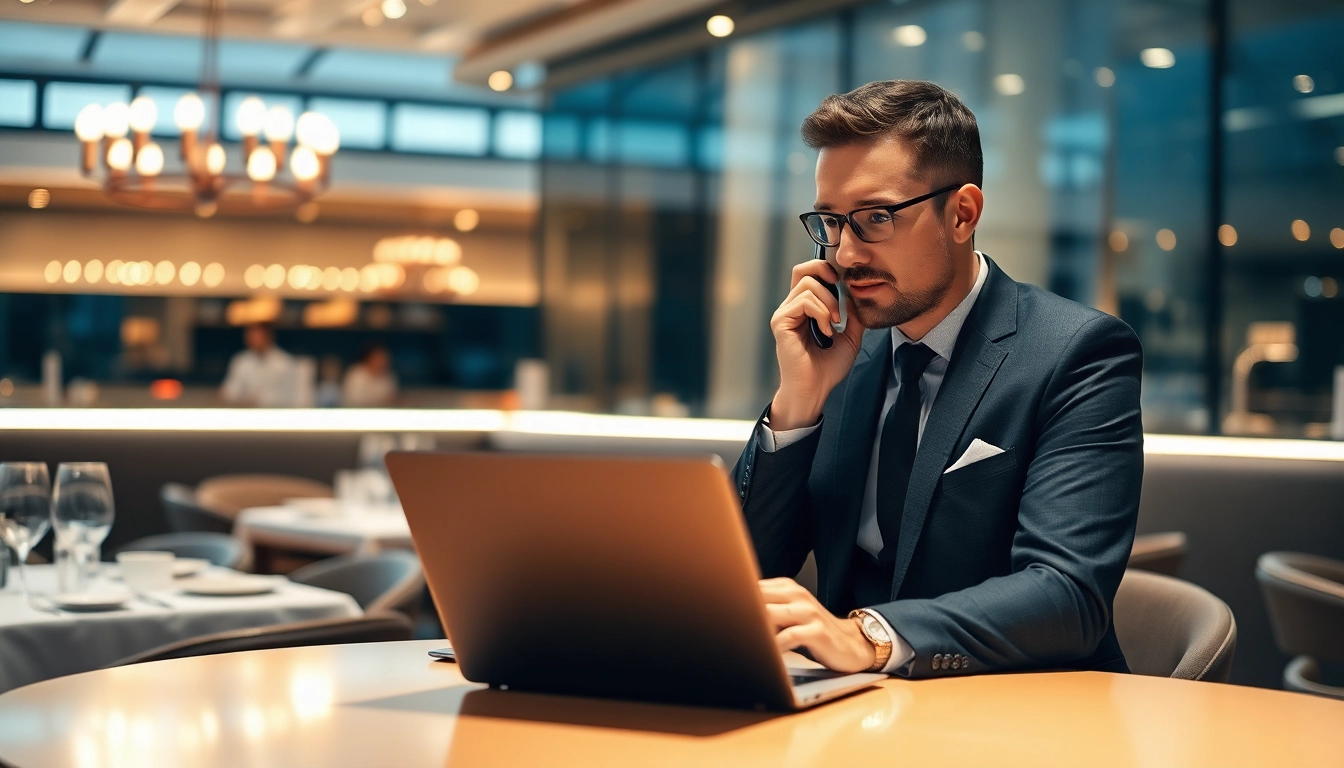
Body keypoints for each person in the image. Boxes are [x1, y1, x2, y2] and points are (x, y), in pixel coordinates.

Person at [732, 80, 1143, 679]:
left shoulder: (1078, 353)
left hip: (1024, 717)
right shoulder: (840, 357)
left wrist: (869, 637)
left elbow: (1066, 595)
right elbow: (743, 577)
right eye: (830, 221)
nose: (845, 254)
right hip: (857, 714)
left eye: (875, 218)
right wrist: (798, 405)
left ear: (962, 213)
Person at [219, 322, 299, 407]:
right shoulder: (241, 361)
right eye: (251, 336)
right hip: (245, 413)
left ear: (269, 337)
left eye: (258, 336)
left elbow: (291, 398)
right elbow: (229, 391)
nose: (254, 339)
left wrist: (259, 400)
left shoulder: (285, 363)